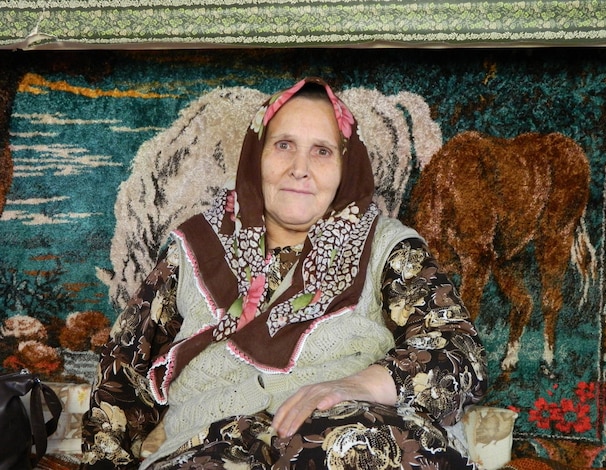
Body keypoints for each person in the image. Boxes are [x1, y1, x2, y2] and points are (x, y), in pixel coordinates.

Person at [81, 77, 488, 469]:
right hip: (210, 443)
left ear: (347, 165)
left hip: (344, 435)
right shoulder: (195, 246)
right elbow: (124, 368)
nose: (300, 168)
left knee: (354, 444)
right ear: (256, 155)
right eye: (284, 145)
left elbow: (459, 355)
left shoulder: (388, 247)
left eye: (322, 151)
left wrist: (360, 385)